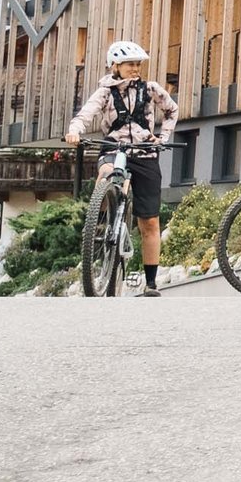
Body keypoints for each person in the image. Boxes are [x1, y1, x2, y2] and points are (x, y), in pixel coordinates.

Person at [64, 41, 179, 296]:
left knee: (149, 221)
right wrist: (75, 131)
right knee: (106, 175)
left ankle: (150, 283)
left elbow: (172, 110)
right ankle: (100, 215)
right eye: (130, 64)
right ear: (115, 66)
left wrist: (164, 137)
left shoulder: (150, 89)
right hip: (114, 149)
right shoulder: (105, 91)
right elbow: (86, 114)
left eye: (138, 64)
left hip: (146, 153)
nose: (135, 68)